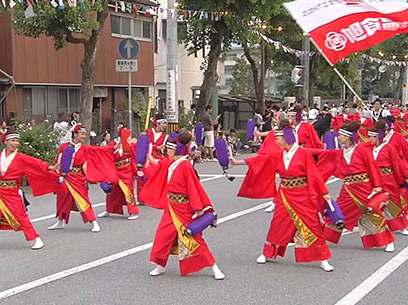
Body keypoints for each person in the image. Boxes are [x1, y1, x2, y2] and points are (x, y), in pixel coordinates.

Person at [231, 120, 335, 272]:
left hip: (302, 195)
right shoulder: (278, 155)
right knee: (277, 225)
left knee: (312, 225)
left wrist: (324, 193)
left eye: (278, 139)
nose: (276, 141)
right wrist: (236, 162)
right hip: (285, 195)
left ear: (286, 138)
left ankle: (322, 259)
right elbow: (260, 160)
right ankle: (267, 253)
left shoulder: (303, 154)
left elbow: (314, 175)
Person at [141, 131, 225, 280]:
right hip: (171, 206)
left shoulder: (185, 165)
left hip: (184, 208)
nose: (166, 151)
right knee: (163, 236)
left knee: (193, 238)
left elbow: (193, 187)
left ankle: (214, 267)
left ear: (175, 150)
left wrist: (198, 208)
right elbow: (160, 163)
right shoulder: (171, 163)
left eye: (169, 149)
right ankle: (160, 265)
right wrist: (150, 159)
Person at [0, 130, 59, 250]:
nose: (15, 143)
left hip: (11, 192)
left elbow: (35, 163)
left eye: (17, 141)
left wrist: (51, 167)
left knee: (20, 216)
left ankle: (36, 239)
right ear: (6, 142)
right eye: (12, 141)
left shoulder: (21, 158)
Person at [315, 121, 396, 252]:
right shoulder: (338, 153)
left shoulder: (361, 150)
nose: (338, 137)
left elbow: (372, 167)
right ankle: (324, 237)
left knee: (371, 213)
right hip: (348, 188)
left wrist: (377, 185)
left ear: (347, 137)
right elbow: (323, 160)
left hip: (364, 186)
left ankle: (387, 241)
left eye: (340, 135)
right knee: (336, 212)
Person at [48, 123, 117, 233]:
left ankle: (93, 221)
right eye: (82, 134)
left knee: (82, 200)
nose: (84, 136)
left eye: (85, 134)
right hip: (65, 176)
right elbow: (59, 161)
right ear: (75, 134)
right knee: (62, 199)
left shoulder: (85, 149)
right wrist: (57, 174)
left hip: (77, 177)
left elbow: (100, 151)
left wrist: (113, 148)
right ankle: (60, 221)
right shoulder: (64, 146)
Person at [366, 126, 408, 235]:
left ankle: (401, 227)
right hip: (373, 180)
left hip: (388, 179)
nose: (369, 139)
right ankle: (377, 227)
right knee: (372, 204)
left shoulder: (388, 148)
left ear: (377, 137)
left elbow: (397, 164)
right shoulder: (367, 148)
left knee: (394, 203)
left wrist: (405, 177)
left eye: (371, 137)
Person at [98, 126, 139, 220]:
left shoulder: (129, 145)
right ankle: (109, 210)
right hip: (115, 170)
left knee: (128, 191)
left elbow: (134, 157)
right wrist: (117, 146)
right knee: (112, 191)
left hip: (126, 169)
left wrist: (136, 171)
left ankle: (134, 211)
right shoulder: (113, 143)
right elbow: (107, 153)